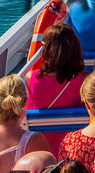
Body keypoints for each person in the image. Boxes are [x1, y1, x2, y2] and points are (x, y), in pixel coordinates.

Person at [26, 23, 87, 152]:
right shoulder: (82, 78)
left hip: (41, 149)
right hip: (73, 148)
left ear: (47, 50)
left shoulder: (31, 78)